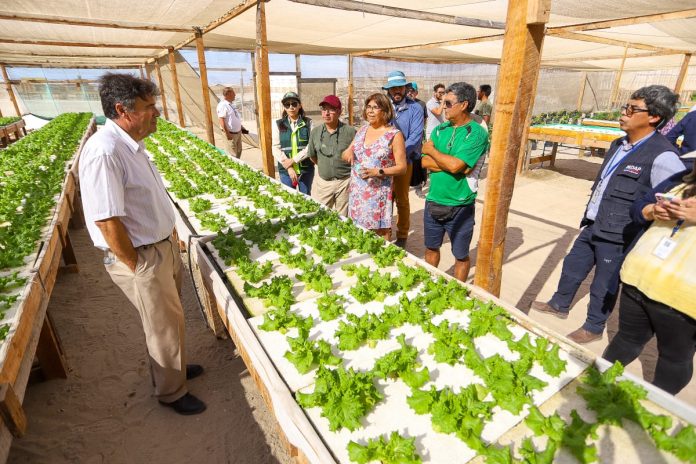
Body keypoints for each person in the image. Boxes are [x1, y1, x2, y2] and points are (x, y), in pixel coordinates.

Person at [79, 73, 205, 415]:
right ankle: (171, 392)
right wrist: (137, 266)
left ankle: (175, 370)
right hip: (143, 256)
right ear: (123, 110)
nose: (157, 112)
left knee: (171, 318)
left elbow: (144, 201)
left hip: (159, 247)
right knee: (161, 324)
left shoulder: (132, 144)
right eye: (149, 107)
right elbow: (107, 221)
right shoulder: (105, 152)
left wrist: (167, 233)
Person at [531, 85, 686, 344]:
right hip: (594, 221)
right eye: (625, 107)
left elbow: (675, 199)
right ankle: (559, 304)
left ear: (653, 117)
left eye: (631, 109)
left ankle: (593, 327)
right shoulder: (618, 144)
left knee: (605, 281)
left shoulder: (663, 156)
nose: (623, 113)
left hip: (620, 232)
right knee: (573, 265)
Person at [603, 152, 695, 394]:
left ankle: (657, 406)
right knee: (626, 340)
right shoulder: (681, 178)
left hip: (683, 299)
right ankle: (598, 384)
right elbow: (638, 207)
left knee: (674, 358)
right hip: (638, 281)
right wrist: (652, 211)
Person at [421, 82, 489, 282]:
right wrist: (453, 164)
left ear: (464, 104)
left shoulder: (476, 133)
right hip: (433, 199)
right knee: (431, 247)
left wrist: (434, 152)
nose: (443, 108)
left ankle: (458, 288)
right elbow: (426, 162)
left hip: (460, 204)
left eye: (448, 103)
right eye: (442, 102)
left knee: (460, 254)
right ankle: (429, 283)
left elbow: (453, 165)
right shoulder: (440, 129)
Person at [342, 93, 407, 239]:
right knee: (358, 234)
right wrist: (348, 152)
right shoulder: (362, 130)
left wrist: (378, 171)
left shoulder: (394, 135)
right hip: (357, 193)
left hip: (378, 195)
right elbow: (347, 152)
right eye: (369, 107)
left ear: (385, 111)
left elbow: (402, 167)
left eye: (375, 107)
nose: (370, 111)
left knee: (379, 237)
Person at [382, 70, 424, 248]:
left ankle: (402, 234)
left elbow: (415, 137)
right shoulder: (384, 107)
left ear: (405, 88)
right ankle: (384, 232)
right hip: (383, 162)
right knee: (384, 197)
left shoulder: (415, 108)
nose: (396, 91)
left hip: (403, 161)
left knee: (401, 199)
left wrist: (397, 154)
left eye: (399, 87)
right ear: (388, 90)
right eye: (393, 88)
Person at [307, 95, 356, 215]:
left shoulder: (350, 132)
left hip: (345, 182)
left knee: (343, 218)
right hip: (324, 183)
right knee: (322, 215)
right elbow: (312, 155)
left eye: (331, 110)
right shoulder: (315, 132)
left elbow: (358, 155)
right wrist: (325, 166)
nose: (326, 113)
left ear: (339, 112)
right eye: (324, 109)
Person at [273, 92, 314, 194]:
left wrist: (294, 160)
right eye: (287, 105)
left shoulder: (308, 123)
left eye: (294, 104)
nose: (291, 107)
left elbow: (311, 146)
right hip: (286, 171)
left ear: (299, 105)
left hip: (305, 170)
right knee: (289, 198)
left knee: (306, 199)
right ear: (285, 107)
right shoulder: (278, 124)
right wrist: (289, 166)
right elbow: (275, 147)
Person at [407, 82, 428, 199]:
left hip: (417, 139)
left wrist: (418, 134)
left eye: (412, 91)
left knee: (417, 162)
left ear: (416, 92)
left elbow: (424, 120)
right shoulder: (404, 104)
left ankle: (418, 188)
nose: (410, 93)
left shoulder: (421, 104)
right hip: (405, 138)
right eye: (408, 90)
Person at [216, 87, 248, 158]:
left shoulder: (231, 105)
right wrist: (227, 133)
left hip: (237, 133)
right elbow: (221, 120)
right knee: (232, 154)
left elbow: (234, 118)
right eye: (233, 93)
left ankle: (238, 166)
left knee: (239, 151)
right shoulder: (223, 105)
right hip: (230, 134)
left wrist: (241, 127)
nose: (235, 95)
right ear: (227, 94)